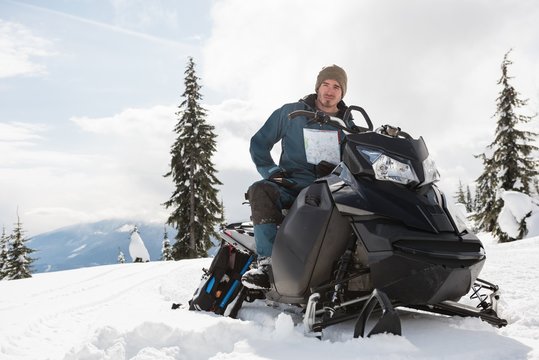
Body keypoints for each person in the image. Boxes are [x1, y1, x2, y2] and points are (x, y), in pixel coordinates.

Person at [241, 64, 354, 289]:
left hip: (329, 190)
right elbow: (259, 143)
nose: (330, 91)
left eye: (336, 87)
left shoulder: (348, 127)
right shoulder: (291, 113)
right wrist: (271, 171)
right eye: (325, 84)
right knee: (260, 190)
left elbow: (356, 163)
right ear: (317, 87)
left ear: (342, 93)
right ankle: (268, 265)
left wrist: (337, 170)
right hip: (291, 185)